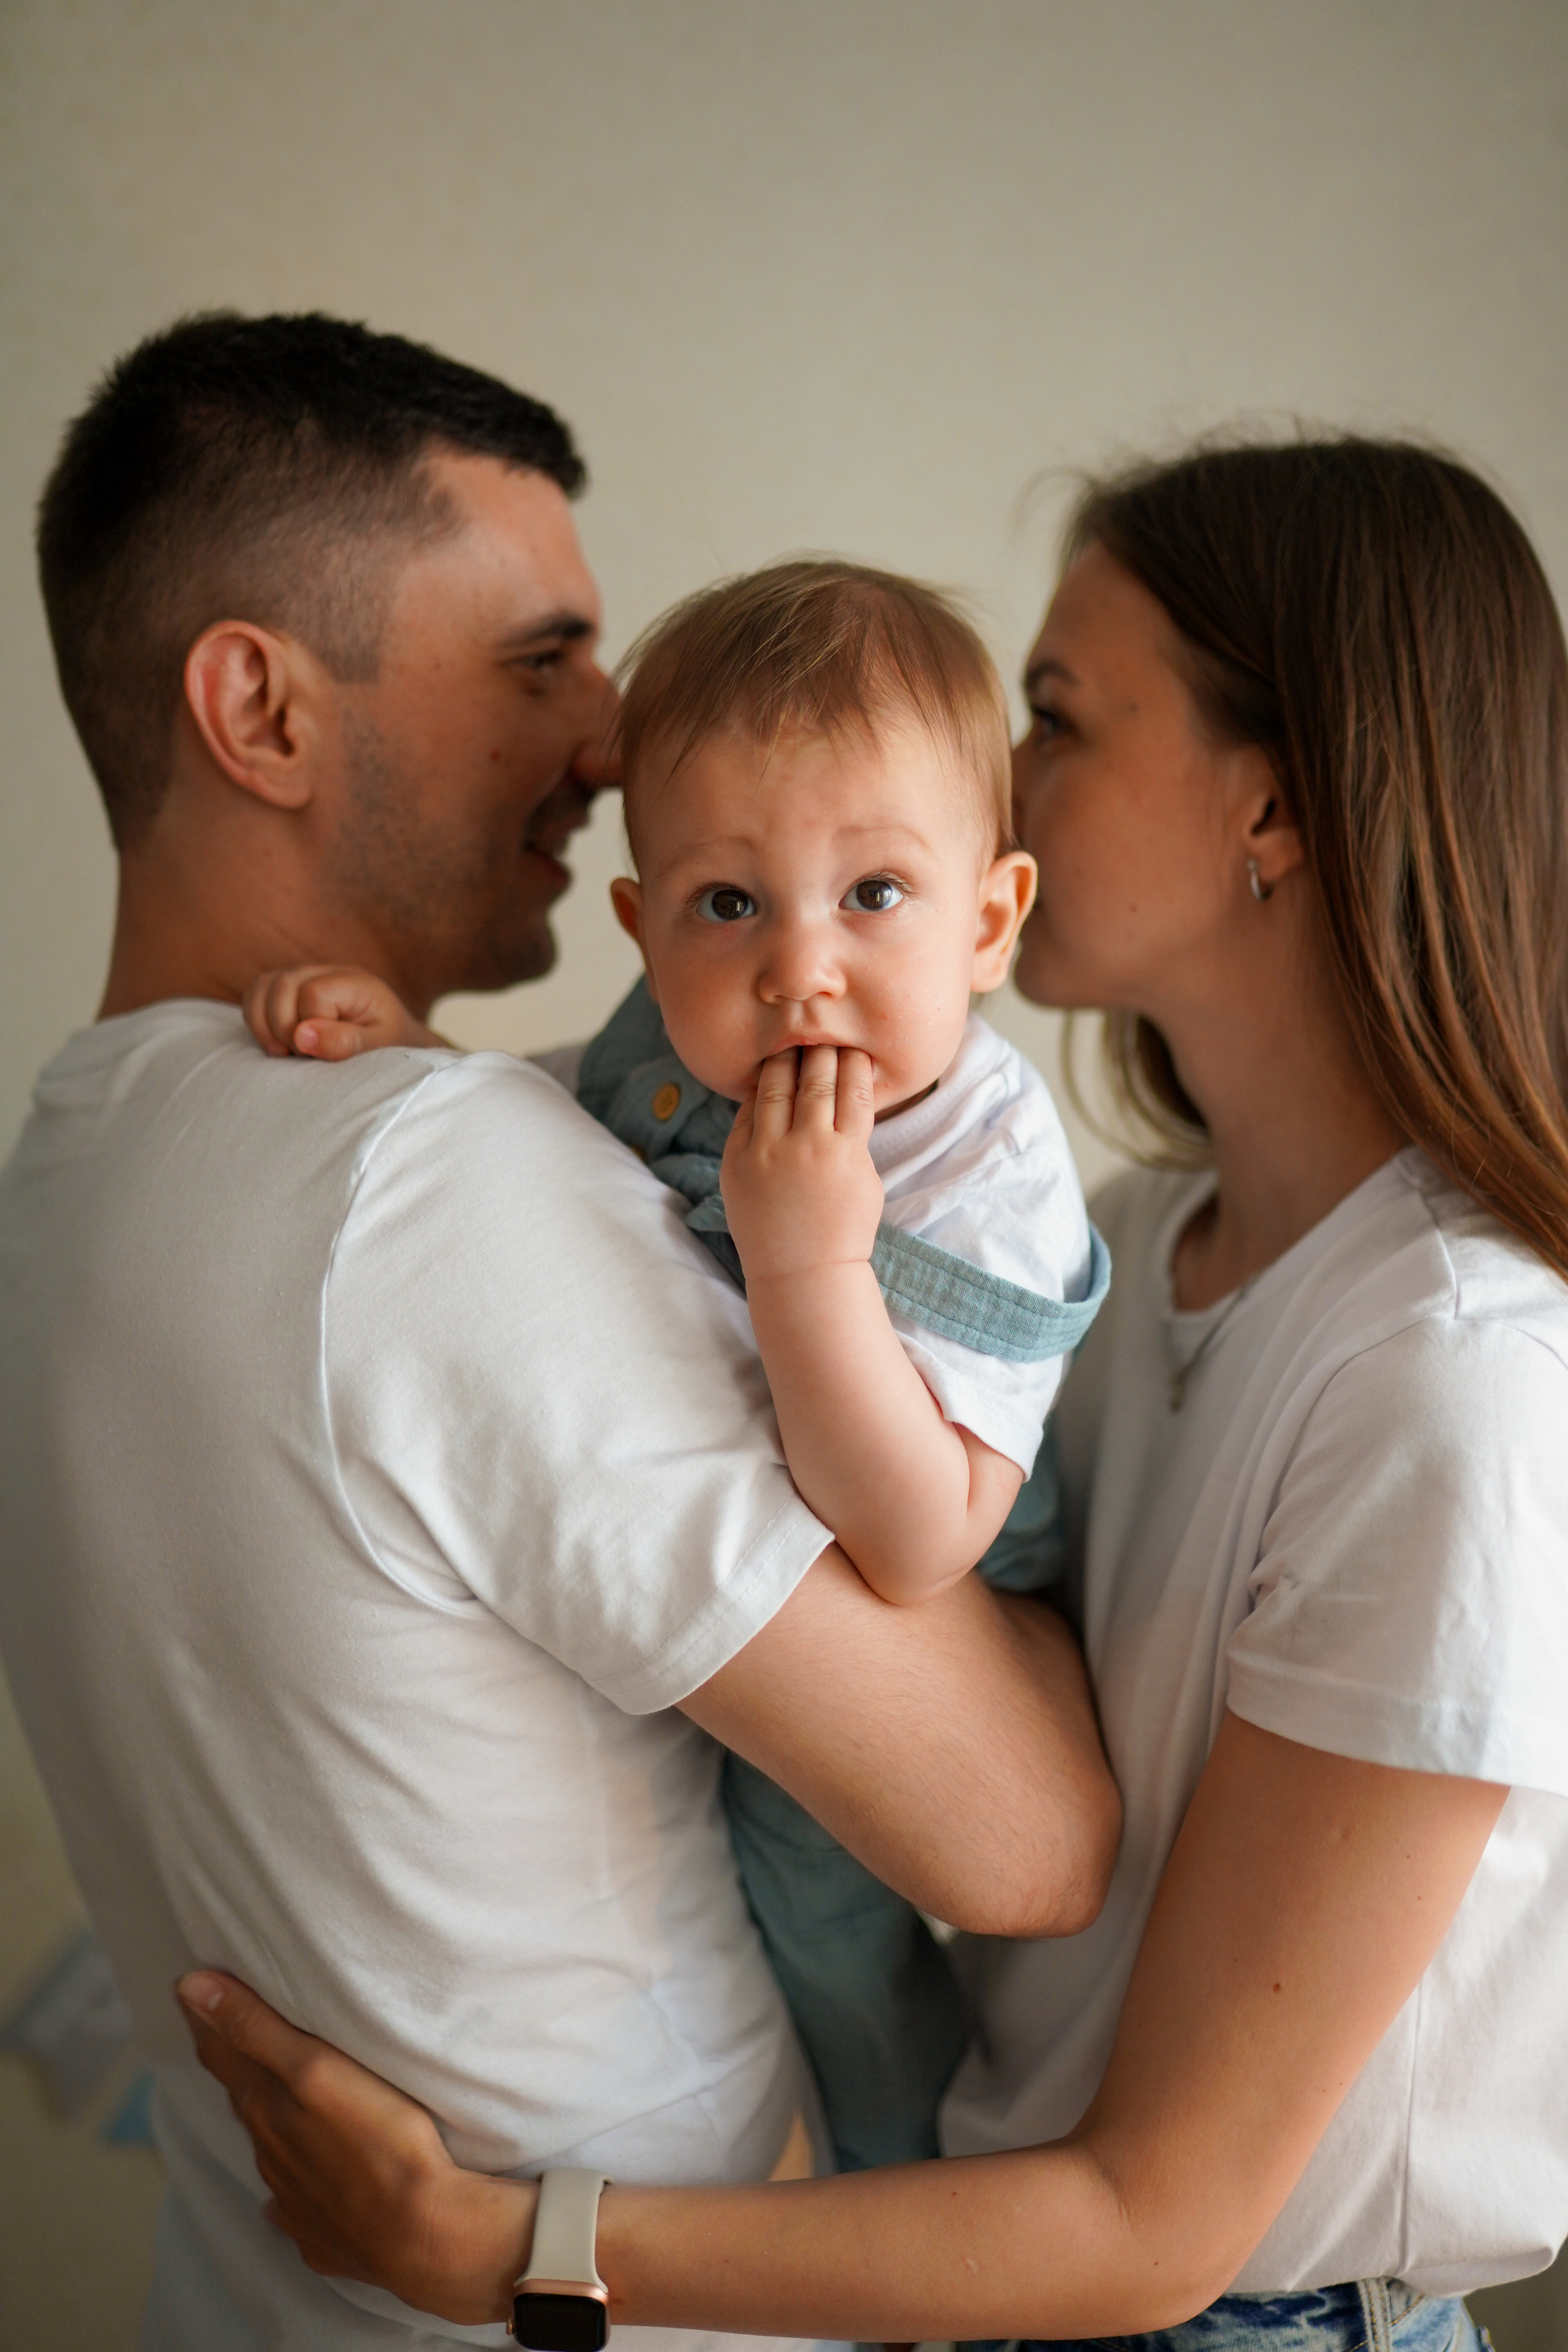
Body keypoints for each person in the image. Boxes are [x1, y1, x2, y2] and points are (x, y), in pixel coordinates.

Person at [183, 434, 1568, 2352]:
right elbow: (629, 1163)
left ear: (1278, 807)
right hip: (993, 2275)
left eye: (1058, 718)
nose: (1002, 763)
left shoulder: (1457, 1375)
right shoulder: (1148, 1237)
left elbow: (1160, 2221)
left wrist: (513, 2247)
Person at [0, 312, 1120, 2352]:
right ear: (259, 708)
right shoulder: (426, 1180)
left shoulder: (66, 1179)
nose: (612, 741)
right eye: (541, 664)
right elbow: (1028, 1834)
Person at [238, 557, 1112, 2176]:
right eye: (729, 904)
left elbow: (920, 1545)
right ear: (643, 928)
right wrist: (416, 1055)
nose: (797, 966)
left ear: (991, 919)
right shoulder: (674, 1039)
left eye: (876, 895)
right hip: (745, 1541)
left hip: (950, 1573)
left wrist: (808, 1262)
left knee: (825, 1917)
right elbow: (564, 1138)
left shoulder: (988, 1175)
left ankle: (909, 2198)